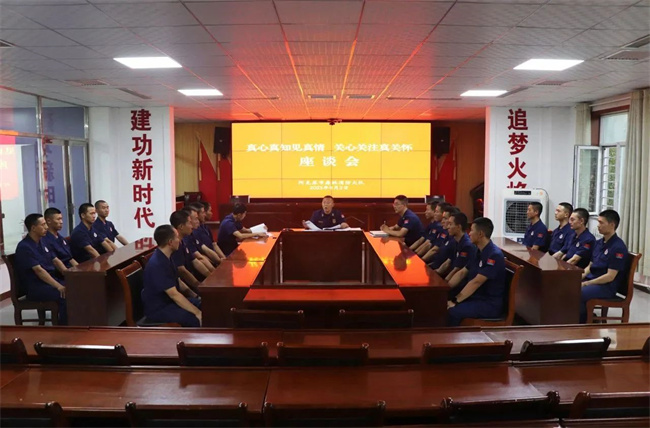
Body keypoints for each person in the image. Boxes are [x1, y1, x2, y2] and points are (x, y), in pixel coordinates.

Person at [446, 217, 506, 327]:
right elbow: (462, 272)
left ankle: (449, 337)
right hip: (476, 297)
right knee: (441, 299)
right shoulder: (476, 250)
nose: (469, 233)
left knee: (452, 311)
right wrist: (445, 288)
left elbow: (476, 282)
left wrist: (455, 301)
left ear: (480, 234)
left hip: (488, 303)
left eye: (472, 230)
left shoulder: (494, 255)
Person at [142, 224, 201, 327]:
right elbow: (174, 294)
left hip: (170, 303)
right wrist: (197, 313)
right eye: (177, 238)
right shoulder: (157, 264)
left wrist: (196, 296)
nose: (179, 241)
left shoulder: (168, 257)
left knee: (202, 304)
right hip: (159, 308)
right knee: (192, 318)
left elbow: (178, 281)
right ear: (170, 242)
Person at [14, 214, 67, 324]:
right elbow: (39, 271)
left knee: (76, 288)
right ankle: (64, 327)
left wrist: (69, 275)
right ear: (33, 228)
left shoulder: (42, 242)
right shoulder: (25, 247)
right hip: (36, 287)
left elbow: (55, 260)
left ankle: (76, 323)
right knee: (65, 294)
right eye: (43, 225)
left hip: (49, 282)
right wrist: (58, 286)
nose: (46, 227)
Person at [580, 210, 628, 323]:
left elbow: (610, 276)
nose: (598, 225)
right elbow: (590, 265)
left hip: (606, 286)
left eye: (601, 222)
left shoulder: (618, 247)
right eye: (598, 222)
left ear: (612, 225)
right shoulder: (599, 243)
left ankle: (582, 322)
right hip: (593, 280)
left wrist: (587, 283)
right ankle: (575, 318)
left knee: (579, 292)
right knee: (568, 286)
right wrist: (580, 277)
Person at [170, 210, 205, 289]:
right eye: (189, 223)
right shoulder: (174, 246)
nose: (192, 226)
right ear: (181, 226)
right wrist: (199, 287)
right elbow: (182, 271)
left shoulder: (184, 241)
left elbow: (194, 261)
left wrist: (211, 275)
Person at [436, 212, 476, 281]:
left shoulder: (467, 245)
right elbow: (448, 262)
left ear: (458, 227)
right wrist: (436, 272)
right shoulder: (455, 241)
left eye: (450, 224)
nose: (448, 227)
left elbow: (457, 269)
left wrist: (445, 283)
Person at [182, 205, 216, 275]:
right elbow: (199, 258)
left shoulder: (192, 234)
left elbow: (206, 248)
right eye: (195, 219)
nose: (198, 222)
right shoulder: (184, 239)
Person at [42, 207, 78, 272]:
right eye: (58, 219)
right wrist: (69, 275)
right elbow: (56, 262)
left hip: (71, 270)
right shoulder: (44, 240)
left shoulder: (61, 238)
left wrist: (81, 270)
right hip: (60, 273)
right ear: (48, 221)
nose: (61, 222)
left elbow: (70, 259)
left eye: (61, 219)